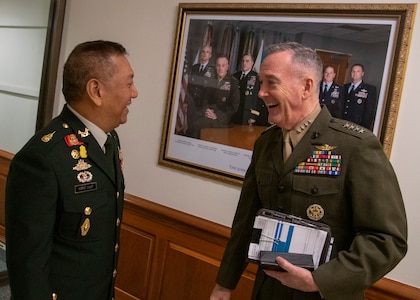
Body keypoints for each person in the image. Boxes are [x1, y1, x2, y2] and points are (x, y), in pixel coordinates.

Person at [210, 42, 407, 300]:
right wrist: (225, 283)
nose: (261, 92)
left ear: (306, 86)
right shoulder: (266, 143)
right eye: (261, 83)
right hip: (269, 291)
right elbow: (246, 221)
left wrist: (320, 280)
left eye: (271, 82)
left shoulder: (355, 147)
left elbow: (387, 239)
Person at [5, 40, 138, 300]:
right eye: (128, 83)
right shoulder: (42, 160)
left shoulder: (108, 142)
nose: (135, 93)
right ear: (96, 91)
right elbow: (28, 271)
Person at [191, 56, 240, 138]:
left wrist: (217, 115)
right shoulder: (211, 80)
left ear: (227, 67)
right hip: (208, 113)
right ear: (215, 66)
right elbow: (205, 99)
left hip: (222, 118)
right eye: (218, 65)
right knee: (192, 120)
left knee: (197, 125)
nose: (220, 68)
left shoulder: (233, 82)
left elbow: (233, 106)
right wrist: (207, 110)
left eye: (223, 66)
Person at [185, 45, 215, 137]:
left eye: (207, 52)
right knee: (189, 126)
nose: (204, 54)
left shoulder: (213, 70)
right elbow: (189, 85)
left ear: (210, 55)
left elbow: (213, 91)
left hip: (203, 105)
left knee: (198, 130)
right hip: (192, 102)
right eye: (203, 51)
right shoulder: (194, 67)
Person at [232, 54, 269, 126]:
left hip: (247, 114)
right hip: (234, 113)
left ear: (252, 63)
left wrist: (253, 115)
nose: (244, 63)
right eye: (243, 61)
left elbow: (259, 99)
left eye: (247, 61)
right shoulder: (235, 76)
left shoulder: (257, 78)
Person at [343, 63, 378, 130]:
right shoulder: (345, 87)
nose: (355, 73)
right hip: (343, 123)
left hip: (357, 125)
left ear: (362, 73)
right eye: (353, 71)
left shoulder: (369, 89)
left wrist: (364, 129)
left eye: (358, 71)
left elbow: (369, 111)